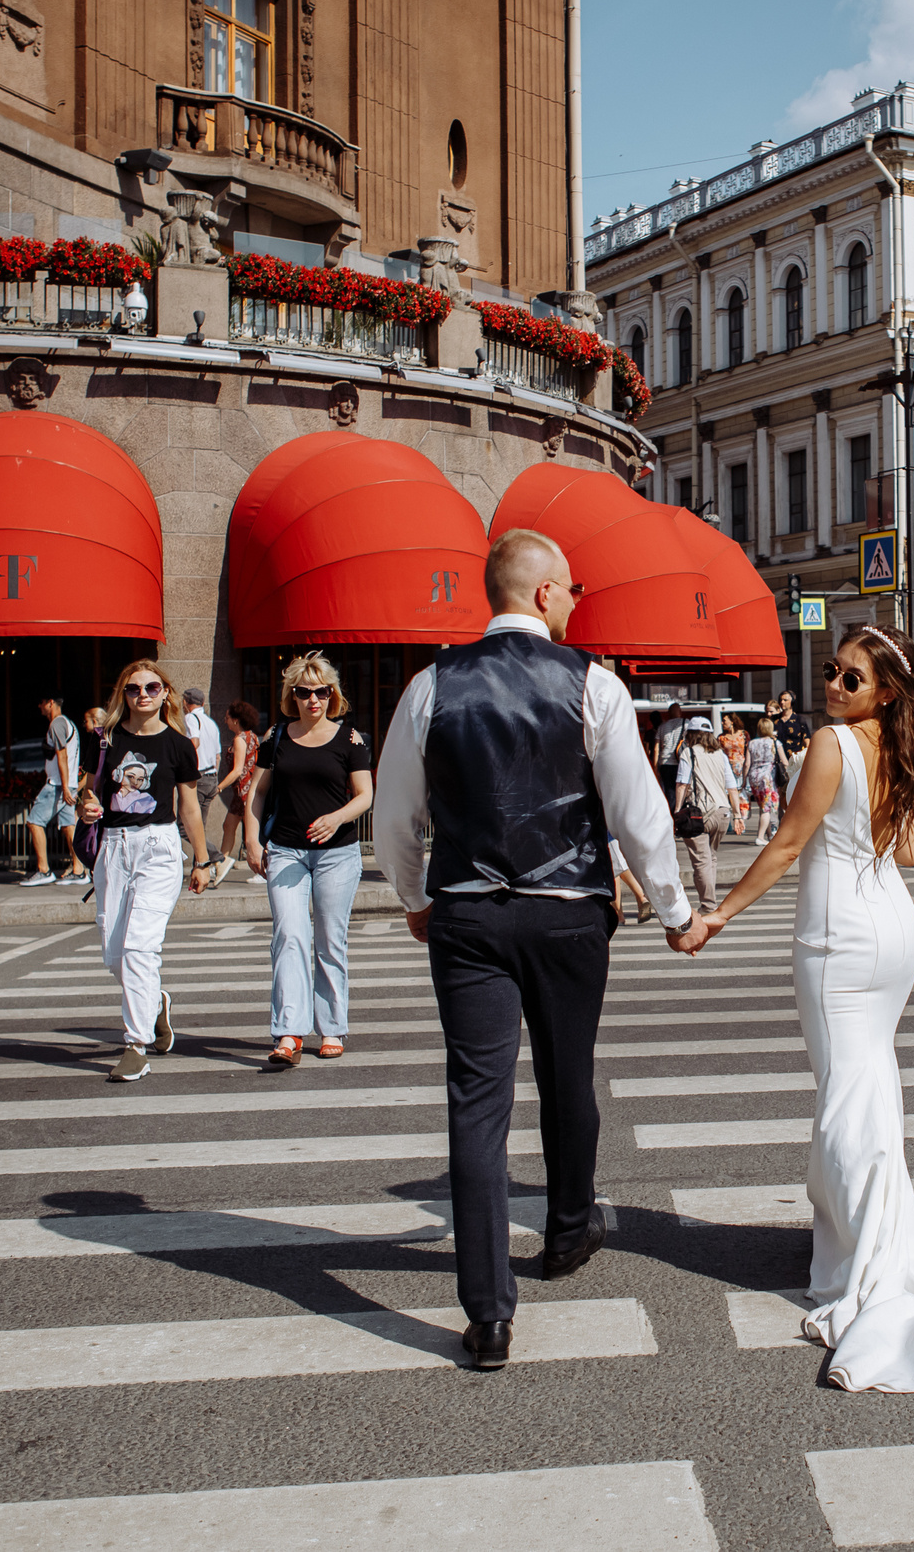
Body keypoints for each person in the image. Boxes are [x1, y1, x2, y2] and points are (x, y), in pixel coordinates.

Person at [373, 527, 701, 1371]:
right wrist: (674, 910)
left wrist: (416, 898)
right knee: (567, 1073)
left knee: (476, 1102)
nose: (575, 602)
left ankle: (487, 1314)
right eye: (573, 589)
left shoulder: (431, 684)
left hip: (468, 913)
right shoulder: (593, 682)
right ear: (547, 592)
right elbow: (637, 813)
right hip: (566, 912)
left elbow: (395, 815)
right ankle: (566, 1231)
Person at [681, 624, 914, 1393]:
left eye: (851, 678)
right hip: (892, 925)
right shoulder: (897, 748)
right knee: (870, 1086)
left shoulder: (832, 743)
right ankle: (870, 1242)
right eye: (833, 671)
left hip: (838, 936)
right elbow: (903, 850)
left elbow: (785, 845)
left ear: (885, 692)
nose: (833, 685)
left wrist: (718, 914)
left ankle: (871, 1262)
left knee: (846, 1097)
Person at [74, 660, 213, 1082]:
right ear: (124, 694)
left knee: (139, 947)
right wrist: (86, 805)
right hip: (114, 850)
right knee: (115, 954)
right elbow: (87, 791)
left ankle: (136, 1046)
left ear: (165, 692)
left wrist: (202, 860)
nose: (143, 695)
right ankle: (155, 1004)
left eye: (152, 687)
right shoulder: (104, 739)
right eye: (134, 689)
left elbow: (189, 807)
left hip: (158, 849)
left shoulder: (178, 744)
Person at [244, 658, 373, 1067]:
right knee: (289, 936)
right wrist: (251, 841)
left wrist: (336, 818)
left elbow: (365, 795)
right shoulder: (277, 736)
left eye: (321, 691)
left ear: (332, 694)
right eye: (304, 692)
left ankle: (332, 1027)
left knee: (329, 939)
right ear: (292, 696)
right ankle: (289, 1031)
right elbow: (257, 792)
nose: (313, 699)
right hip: (286, 851)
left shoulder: (349, 738)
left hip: (338, 854)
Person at [673, 715, 736, 911]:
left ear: (691, 735)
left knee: (701, 861)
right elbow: (732, 786)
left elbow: (682, 784)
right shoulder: (721, 755)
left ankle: (708, 906)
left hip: (699, 814)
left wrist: (677, 811)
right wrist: (738, 815)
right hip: (723, 812)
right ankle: (710, 902)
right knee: (711, 858)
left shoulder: (689, 753)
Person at [20, 696, 84, 887]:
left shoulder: (57, 723)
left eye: (41, 703)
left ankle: (44, 871)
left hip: (57, 784)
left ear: (50, 702)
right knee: (68, 825)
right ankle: (79, 871)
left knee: (34, 822)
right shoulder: (69, 724)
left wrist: (63, 787)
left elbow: (61, 755)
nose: (39, 706)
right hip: (68, 783)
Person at [210, 700, 261, 886]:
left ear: (236, 720)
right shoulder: (252, 736)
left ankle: (261, 869)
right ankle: (221, 863)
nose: (225, 721)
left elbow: (238, 770)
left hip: (245, 791)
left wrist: (219, 787)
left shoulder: (240, 739)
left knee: (250, 834)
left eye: (227, 718)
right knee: (228, 826)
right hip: (243, 791)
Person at [180, 686, 223, 815]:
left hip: (199, 777)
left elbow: (194, 742)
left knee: (187, 822)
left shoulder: (190, 717)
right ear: (203, 703)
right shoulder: (211, 723)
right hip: (212, 778)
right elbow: (218, 756)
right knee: (200, 824)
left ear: (185, 702)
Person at [745, 714, 783, 844]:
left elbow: (747, 764)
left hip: (754, 777)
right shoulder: (775, 743)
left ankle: (769, 835)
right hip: (768, 778)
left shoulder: (751, 743)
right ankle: (760, 837)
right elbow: (784, 761)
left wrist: (744, 780)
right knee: (767, 808)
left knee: (762, 806)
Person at [773, 688, 813, 772]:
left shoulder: (799, 720)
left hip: (794, 762)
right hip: (777, 763)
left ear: (792, 702)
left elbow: (807, 741)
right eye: (780, 700)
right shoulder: (775, 720)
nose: (782, 702)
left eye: (785, 700)